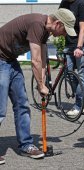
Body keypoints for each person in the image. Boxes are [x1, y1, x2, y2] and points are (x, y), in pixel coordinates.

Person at [0, 8, 76, 164]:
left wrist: (42, 83)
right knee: (0, 109)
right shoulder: (37, 24)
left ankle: (26, 144)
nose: (64, 35)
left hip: (10, 60)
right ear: (58, 23)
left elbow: (41, 58)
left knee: (22, 104)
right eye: (64, 30)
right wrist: (41, 85)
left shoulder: (45, 31)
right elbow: (34, 60)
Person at [59, 0, 84, 116]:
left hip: (82, 45)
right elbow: (61, 22)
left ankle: (79, 104)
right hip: (69, 44)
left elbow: (83, 28)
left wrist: (79, 47)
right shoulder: (64, 3)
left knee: (81, 74)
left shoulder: (82, 4)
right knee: (68, 73)